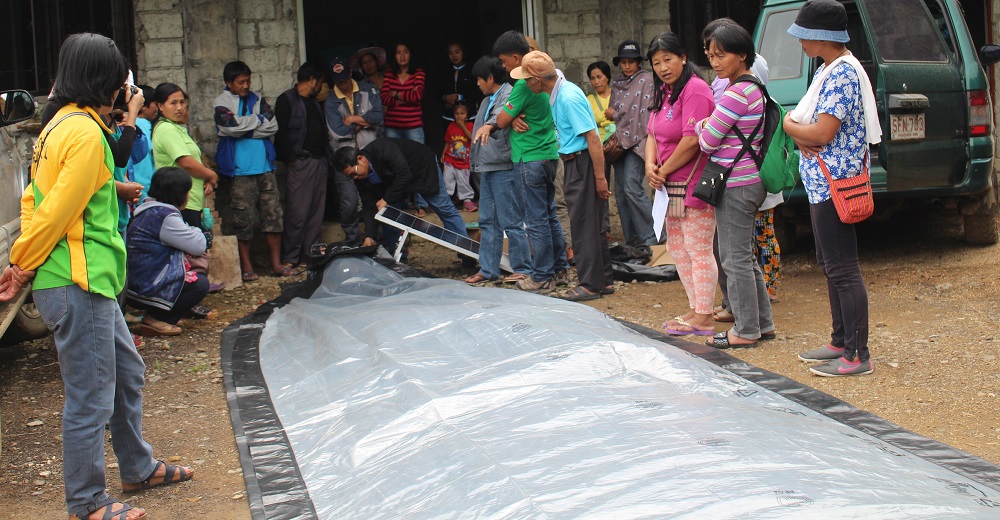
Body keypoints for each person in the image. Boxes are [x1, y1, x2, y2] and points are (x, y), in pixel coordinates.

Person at [0, 32, 193, 520]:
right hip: (77, 281)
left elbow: (37, 198)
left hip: (92, 282)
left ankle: (137, 465)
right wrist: (20, 267)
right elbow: (55, 211)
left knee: (127, 373)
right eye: (121, 81)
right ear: (106, 81)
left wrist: (113, 186)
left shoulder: (60, 125)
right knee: (90, 396)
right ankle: (86, 501)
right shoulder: (84, 132)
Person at [783, 0, 880, 376]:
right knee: (831, 264)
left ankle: (858, 355)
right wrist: (797, 128)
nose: (801, 43)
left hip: (834, 182)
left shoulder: (840, 75)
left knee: (843, 267)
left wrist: (791, 127)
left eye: (804, 36)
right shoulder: (831, 69)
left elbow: (822, 131)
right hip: (823, 182)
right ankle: (841, 340)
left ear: (821, 37)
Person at [696, 23, 775, 350]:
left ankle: (745, 330)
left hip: (737, 183)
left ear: (742, 54)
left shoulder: (736, 92)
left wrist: (702, 125)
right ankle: (763, 324)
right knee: (745, 256)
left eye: (721, 55)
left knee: (734, 259)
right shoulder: (753, 86)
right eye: (710, 55)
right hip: (750, 180)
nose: (715, 62)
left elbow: (708, 140)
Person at [512, 51, 613, 301]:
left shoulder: (567, 98)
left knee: (583, 224)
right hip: (576, 161)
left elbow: (592, 138)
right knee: (592, 223)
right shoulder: (558, 93)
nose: (524, 84)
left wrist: (600, 178)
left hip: (581, 162)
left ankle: (590, 284)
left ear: (536, 79)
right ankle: (603, 280)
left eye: (526, 79)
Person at [643, 32, 717, 336]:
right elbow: (652, 134)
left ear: (683, 57)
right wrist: (650, 165)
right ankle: (695, 308)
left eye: (668, 59)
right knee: (677, 246)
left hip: (694, 182)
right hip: (668, 185)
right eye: (657, 62)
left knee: (698, 248)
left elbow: (693, 140)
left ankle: (705, 315)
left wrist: (663, 169)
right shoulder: (665, 91)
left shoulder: (696, 90)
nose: (663, 67)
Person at [493, 30, 568, 294]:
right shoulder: (552, 78)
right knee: (549, 216)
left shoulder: (524, 84)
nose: (503, 67)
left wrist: (509, 117)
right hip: (549, 153)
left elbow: (500, 121)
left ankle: (541, 276)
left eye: (504, 61)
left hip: (529, 157)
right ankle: (559, 270)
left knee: (536, 220)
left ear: (516, 58)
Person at [213, 61, 291, 281]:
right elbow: (228, 127)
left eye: (248, 80)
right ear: (229, 83)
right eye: (241, 82)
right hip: (239, 171)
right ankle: (246, 266)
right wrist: (256, 122)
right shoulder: (221, 102)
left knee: (273, 216)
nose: (246, 85)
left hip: (265, 167)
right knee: (243, 220)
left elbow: (272, 125)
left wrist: (243, 128)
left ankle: (275, 263)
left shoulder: (258, 99)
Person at [332, 138, 471, 257]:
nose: (355, 178)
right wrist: (370, 235)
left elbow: (404, 174)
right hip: (395, 183)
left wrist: (386, 199)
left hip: (422, 167)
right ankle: (399, 258)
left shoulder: (383, 148)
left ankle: (466, 251)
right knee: (388, 216)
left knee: (444, 209)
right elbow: (369, 207)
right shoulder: (361, 178)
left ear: (360, 159)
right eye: (351, 177)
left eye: (354, 173)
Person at [466, 55, 531, 284]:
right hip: (488, 166)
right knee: (486, 221)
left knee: (511, 220)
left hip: (504, 165)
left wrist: (490, 125)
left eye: (479, 79)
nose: (477, 84)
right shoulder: (486, 100)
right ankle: (488, 269)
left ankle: (523, 268)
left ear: (490, 77)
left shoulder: (509, 93)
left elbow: (498, 118)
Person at [126, 167, 211, 336]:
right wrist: (201, 233)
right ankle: (158, 319)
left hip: (133, 284)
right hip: (146, 286)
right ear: (180, 194)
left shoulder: (147, 210)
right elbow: (198, 245)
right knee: (199, 285)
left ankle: (159, 314)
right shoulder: (164, 217)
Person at [275, 62, 328, 269]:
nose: (321, 87)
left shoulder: (314, 103)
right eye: (320, 82)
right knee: (297, 212)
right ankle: (290, 257)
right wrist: (293, 160)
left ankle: (308, 256)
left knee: (316, 213)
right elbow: (280, 135)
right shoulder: (286, 100)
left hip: (319, 162)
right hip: (300, 163)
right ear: (312, 80)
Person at [327, 56, 385, 244]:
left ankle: (379, 238)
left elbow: (378, 116)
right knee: (349, 201)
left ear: (350, 73)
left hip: (369, 155)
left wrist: (352, 120)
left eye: (344, 79)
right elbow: (338, 132)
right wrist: (363, 123)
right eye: (338, 81)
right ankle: (352, 239)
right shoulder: (330, 100)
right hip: (344, 157)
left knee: (376, 198)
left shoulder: (368, 89)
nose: (342, 85)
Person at [151, 83, 218, 235]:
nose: (179, 108)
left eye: (182, 102)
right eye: (173, 103)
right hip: (180, 201)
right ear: (160, 106)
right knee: (192, 253)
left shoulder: (176, 128)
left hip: (190, 199)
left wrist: (205, 178)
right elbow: (186, 163)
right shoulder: (166, 129)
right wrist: (211, 175)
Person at [609, 39, 657, 251]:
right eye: (624, 62)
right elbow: (613, 110)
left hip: (640, 139)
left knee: (632, 187)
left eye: (632, 61)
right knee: (620, 191)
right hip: (620, 141)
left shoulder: (647, 79)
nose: (627, 66)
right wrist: (615, 114)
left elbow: (646, 109)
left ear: (639, 62)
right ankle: (632, 239)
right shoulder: (617, 82)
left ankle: (652, 236)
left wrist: (616, 113)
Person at [586, 60, 615, 240]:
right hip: (600, 147)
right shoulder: (588, 100)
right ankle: (605, 229)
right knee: (601, 187)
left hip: (619, 145)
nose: (596, 82)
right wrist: (608, 121)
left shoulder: (618, 95)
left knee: (626, 188)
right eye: (592, 78)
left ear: (607, 77)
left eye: (599, 77)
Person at [381, 42, 426, 143]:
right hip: (392, 128)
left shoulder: (418, 73)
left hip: (414, 127)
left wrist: (395, 94)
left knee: (417, 157)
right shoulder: (389, 74)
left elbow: (418, 95)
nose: (402, 55)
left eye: (406, 52)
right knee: (393, 158)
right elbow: (384, 98)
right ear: (394, 56)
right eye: (398, 52)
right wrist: (409, 97)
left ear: (410, 54)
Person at [441, 101, 477, 211]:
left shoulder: (470, 125)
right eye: (457, 113)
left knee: (464, 181)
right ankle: (446, 200)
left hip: (464, 161)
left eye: (462, 113)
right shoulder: (451, 126)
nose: (459, 116)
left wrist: (462, 126)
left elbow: (472, 137)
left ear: (467, 115)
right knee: (447, 180)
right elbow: (448, 141)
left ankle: (467, 200)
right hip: (450, 159)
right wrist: (443, 153)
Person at [439, 41, 481, 123]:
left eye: (457, 52)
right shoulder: (444, 71)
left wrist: (460, 97)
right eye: (450, 53)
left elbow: (478, 93)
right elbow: (437, 93)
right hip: (449, 117)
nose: (454, 56)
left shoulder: (472, 70)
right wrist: (445, 98)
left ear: (463, 53)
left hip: (469, 116)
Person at [131, 84, 158, 202]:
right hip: (147, 186)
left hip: (133, 185)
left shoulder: (129, 123)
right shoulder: (145, 125)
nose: (157, 108)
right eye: (155, 104)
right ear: (143, 106)